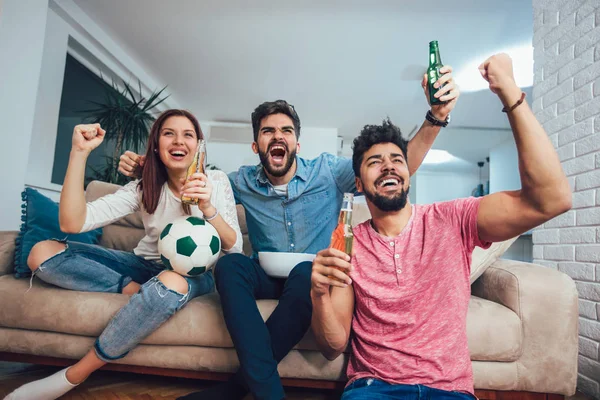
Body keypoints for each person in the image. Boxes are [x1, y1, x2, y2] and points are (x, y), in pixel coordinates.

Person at [117, 68, 460, 400]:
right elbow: (193, 181)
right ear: (256, 146)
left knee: (304, 271)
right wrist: (149, 167)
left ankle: (237, 388)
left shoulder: (328, 171)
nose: (277, 136)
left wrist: (434, 119)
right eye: (267, 131)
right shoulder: (240, 181)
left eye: (285, 130)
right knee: (230, 265)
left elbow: (394, 168)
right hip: (264, 274)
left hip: (309, 278)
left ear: (297, 141)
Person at [309, 53, 572, 400]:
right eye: (375, 162)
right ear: (358, 182)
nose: (388, 167)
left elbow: (550, 200)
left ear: (407, 172)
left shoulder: (453, 219)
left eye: (397, 160)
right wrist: (318, 295)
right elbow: (333, 346)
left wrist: (510, 93)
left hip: (449, 391)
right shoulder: (349, 242)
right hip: (373, 389)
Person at [5, 109, 243, 400]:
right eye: (169, 133)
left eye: (188, 134)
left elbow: (235, 248)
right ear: (156, 145)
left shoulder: (215, 181)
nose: (178, 141)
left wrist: (208, 209)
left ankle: (75, 374)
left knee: (171, 281)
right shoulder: (143, 187)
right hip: (143, 265)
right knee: (41, 251)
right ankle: (138, 291)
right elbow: (72, 223)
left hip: (196, 276)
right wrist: (79, 153)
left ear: (199, 146)